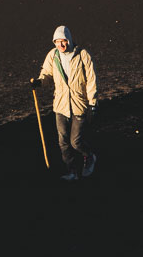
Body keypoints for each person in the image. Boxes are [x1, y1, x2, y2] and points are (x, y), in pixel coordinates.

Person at [31, 25, 98, 180]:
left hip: (79, 104)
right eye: (57, 41)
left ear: (69, 40)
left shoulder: (83, 55)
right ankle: (72, 171)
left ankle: (89, 156)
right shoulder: (53, 55)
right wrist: (39, 82)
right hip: (60, 105)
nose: (61, 45)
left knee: (75, 141)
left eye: (64, 41)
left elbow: (91, 81)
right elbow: (47, 74)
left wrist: (92, 104)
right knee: (63, 142)